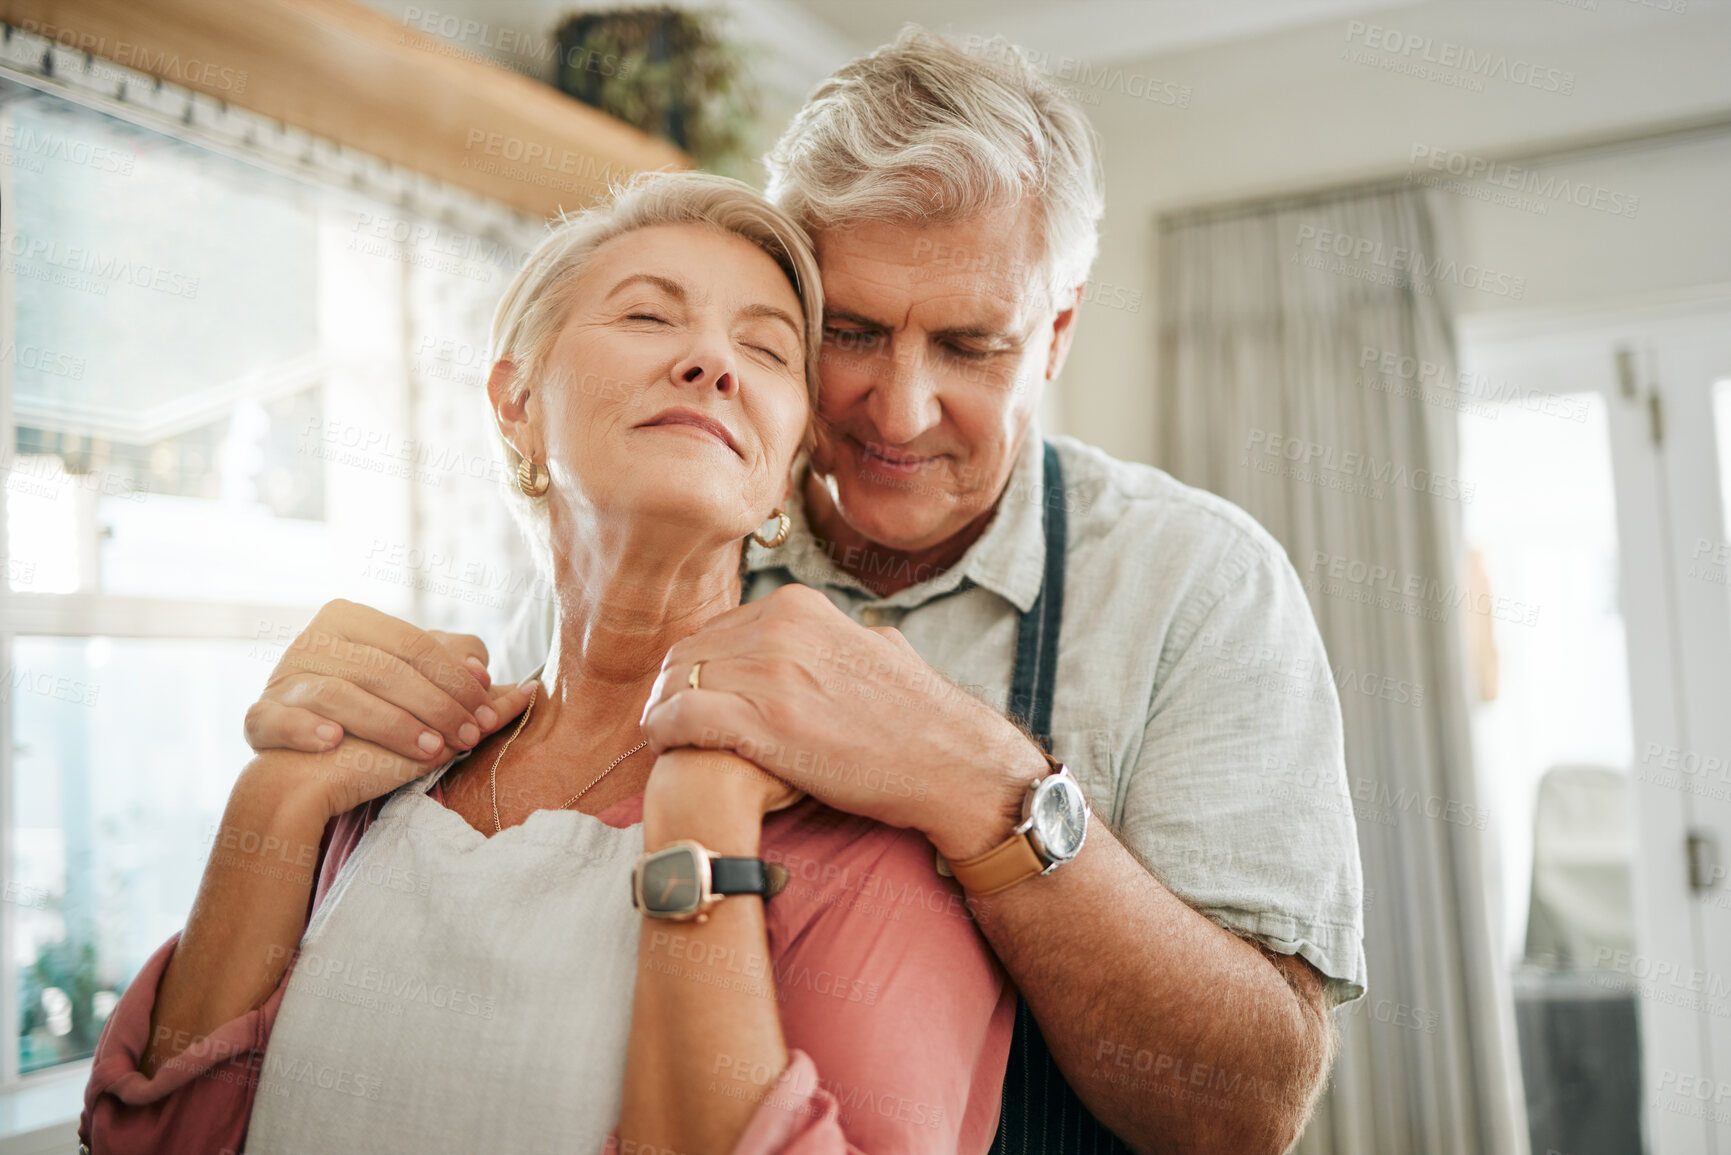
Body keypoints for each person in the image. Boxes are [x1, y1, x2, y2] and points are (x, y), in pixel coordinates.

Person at [246, 27, 1368, 1155]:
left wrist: (984, 788)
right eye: (853, 333)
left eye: (972, 346)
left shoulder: (1203, 585)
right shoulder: (656, 528)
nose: (900, 409)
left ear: (1057, 333)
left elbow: (1247, 1109)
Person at [78, 172, 1016, 1155]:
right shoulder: (369, 782)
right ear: (516, 403)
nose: (709, 361)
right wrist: (274, 797)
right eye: (651, 316)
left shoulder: (874, 848)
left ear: (785, 473)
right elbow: (159, 1141)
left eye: (765, 347)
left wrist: (696, 817)